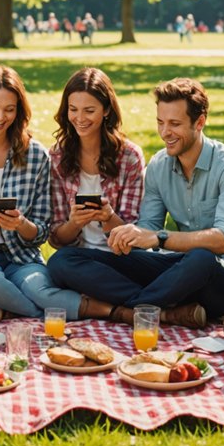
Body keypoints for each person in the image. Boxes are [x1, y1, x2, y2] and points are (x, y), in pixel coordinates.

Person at [50, 78, 224, 328]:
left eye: (174, 124)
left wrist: (158, 238)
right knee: (63, 261)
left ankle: (132, 309)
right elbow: (144, 236)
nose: (164, 133)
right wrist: (117, 225)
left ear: (200, 122)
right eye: (160, 122)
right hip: (178, 267)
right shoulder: (160, 166)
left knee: (201, 257)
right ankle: (163, 309)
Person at [0, 65, 103, 325]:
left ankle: (2, 312)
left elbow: (43, 231)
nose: (0, 117)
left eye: (9, 109)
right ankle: (39, 313)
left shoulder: (35, 155)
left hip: (21, 258)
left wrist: (21, 224)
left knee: (36, 288)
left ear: (19, 110)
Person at [46, 68, 145, 322]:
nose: (79, 118)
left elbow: (137, 233)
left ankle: (123, 303)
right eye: (73, 109)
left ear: (107, 110)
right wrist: (75, 222)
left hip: (122, 259)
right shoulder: (57, 157)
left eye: (89, 110)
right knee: (59, 263)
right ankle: (152, 305)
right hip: (80, 260)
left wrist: (109, 218)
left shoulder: (129, 157)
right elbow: (56, 238)